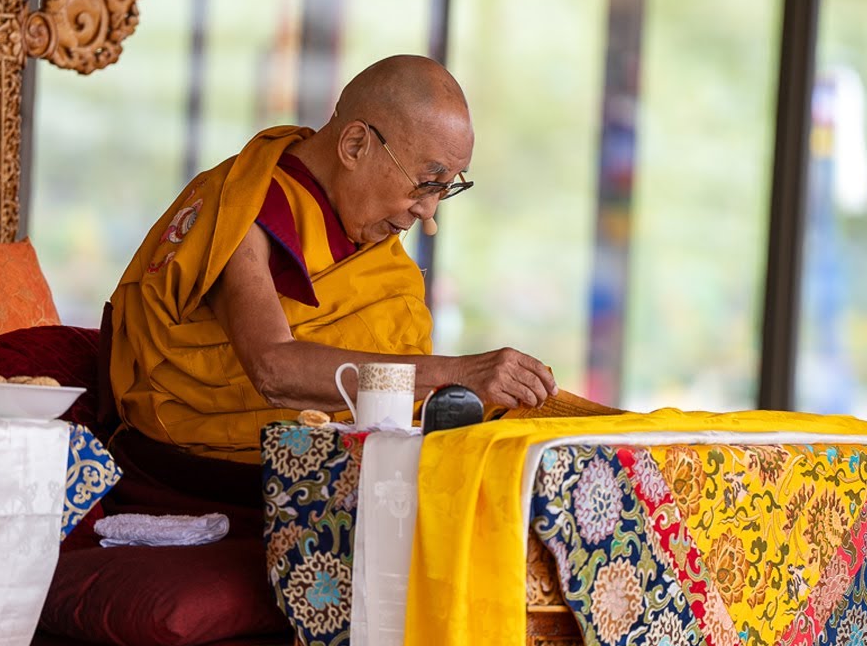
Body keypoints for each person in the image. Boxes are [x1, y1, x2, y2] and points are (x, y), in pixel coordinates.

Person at [108, 54, 557, 465]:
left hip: (344, 466)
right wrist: (458, 373)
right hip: (206, 469)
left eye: (446, 189)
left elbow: (397, 411)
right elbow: (272, 368)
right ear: (356, 145)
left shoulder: (386, 266)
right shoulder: (244, 205)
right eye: (425, 182)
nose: (428, 213)